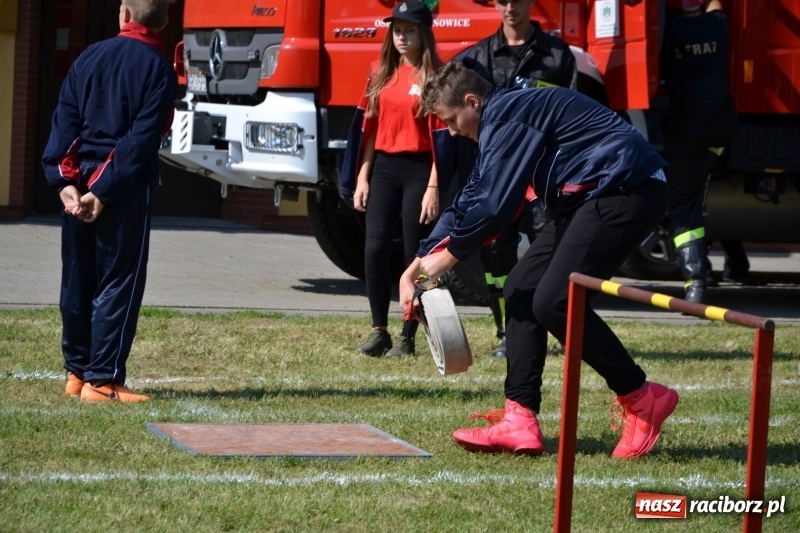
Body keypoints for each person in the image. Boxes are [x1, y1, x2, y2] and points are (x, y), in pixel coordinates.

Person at [400, 61, 679, 459]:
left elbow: (496, 206)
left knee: (554, 301)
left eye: (450, 119)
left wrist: (450, 257)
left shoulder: (509, 116)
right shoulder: (499, 123)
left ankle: (641, 397)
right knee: (521, 289)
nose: (452, 130)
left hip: (627, 188)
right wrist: (418, 261)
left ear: (472, 101)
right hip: (590, 199)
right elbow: (472, 197)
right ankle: (519, 419)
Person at [41, 0, 178, 402]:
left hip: (81, 175)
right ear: (164, 21)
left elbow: (65, 120)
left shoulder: (89, 56)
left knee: (78, 277)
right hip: (122, 184)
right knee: (118, 281)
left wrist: (65, 182)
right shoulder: (159, 68)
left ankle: (76, 373)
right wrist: (102, 190)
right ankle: (102, 381)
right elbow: (141, 139)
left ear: (124, 14)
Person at [456, 0, 577, 358]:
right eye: (503, 0)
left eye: (519, 0)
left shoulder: (557, 55)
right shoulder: (478, 58)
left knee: (551, 247)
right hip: (498, 172)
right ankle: (509, 332)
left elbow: (572, 111)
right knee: (495, 251)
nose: (511, 7)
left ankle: (562, 327)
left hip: (543, 173)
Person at [341, 0, 445, 357]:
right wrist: (363, 177)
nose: (401, 36)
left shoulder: (436, 76)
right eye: (397, 30)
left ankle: (407, 337)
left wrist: (434, 186)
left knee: (416, 255)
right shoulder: (379, 71)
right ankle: (378, 331)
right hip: (384, 167)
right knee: (375, 247)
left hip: (420, 168)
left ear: (424, 33)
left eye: (409, 29)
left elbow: (442, 140)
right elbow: (369, 130)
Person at [660, 0, 740, 303]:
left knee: (683, 204)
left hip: (687, 131)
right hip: (720, 129)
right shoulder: (718, 25)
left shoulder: (670, 31)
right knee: (695, 190)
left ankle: (696, 283)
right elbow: (717, 6)